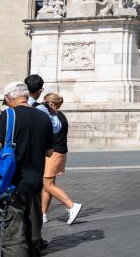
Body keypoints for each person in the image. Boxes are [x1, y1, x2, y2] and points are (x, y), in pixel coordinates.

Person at [0, 82, 54, 257]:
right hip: (35, 185)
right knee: (33, 236)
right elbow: (49, 152)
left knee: (14, 239)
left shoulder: (8, 116)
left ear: (10, 97)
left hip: (12, 185)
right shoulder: (43, 117)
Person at [39, 93, 82, 226]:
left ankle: (71, 205)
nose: (43, 104)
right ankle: (42, 214)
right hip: (60, 152)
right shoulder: (61, 115)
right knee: (47, 186)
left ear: (51, 103)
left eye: (45, 102)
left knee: (47, 185)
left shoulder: (52, 117)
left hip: (54, 153)